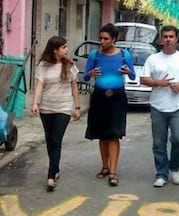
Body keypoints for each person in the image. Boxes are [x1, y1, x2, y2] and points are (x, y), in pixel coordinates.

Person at [140, 25, 179, 188]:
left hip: (178, 105)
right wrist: (159, 83)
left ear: (177, 39)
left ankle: (175, 167)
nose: (168, 39)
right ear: (160, 40)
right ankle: (161, 173)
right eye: (165, 36)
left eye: (171, 36)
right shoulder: (153, 59)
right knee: (159, 143)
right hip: (157, 106)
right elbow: (143, 79)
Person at [83, 23, 136, 187]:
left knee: (114, 134)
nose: (102, 41)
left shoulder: (124, 55)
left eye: (106, 39)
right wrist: (90, 73)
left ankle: (113, 171)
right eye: (100, 38)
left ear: (113, 39)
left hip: (117, 98)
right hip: (99, 97)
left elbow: (133, 76)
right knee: (102, 134)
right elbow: (85, 77)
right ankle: (104, 166)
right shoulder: (94, 55)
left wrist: (128, 72)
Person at [31, 36, 81, 192]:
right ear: (55, 50)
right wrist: (35, 103)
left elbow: (74, 88)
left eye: (67, 47)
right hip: (46, 107)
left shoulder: (70, 66)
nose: (67, 50)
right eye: (64, 47)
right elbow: (39, 85)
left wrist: (77, 107)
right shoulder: (43, 65)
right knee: (49, 140)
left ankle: (51, 175)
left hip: (63, 107)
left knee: (56, 139)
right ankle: (56, 168)